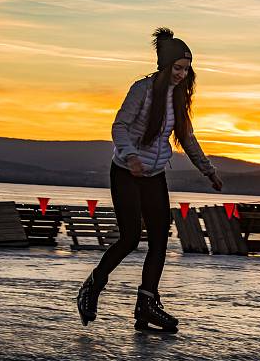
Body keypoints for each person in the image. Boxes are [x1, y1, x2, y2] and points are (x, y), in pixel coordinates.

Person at [76, 27, 223, 333]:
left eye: (186, 69)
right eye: (178, 68)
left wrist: (208, 170)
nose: (182, 74)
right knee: (130, 238)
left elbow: (187, 137)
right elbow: (119, 127)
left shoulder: (178, 97)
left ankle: (146, 305)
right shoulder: (142, 90)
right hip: (127, 172)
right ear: (165, 66)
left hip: (154, 174)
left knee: (159, 240)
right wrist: (131, 157)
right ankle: (93, 286)